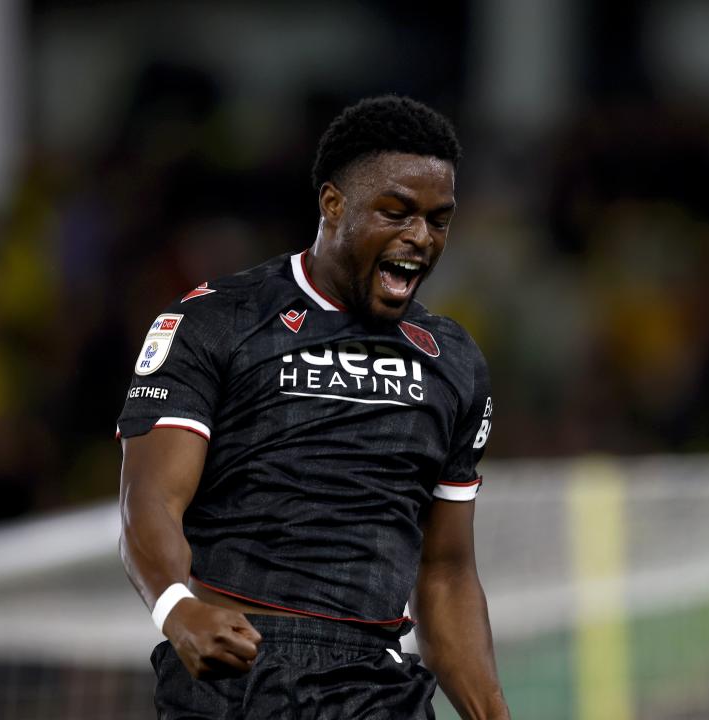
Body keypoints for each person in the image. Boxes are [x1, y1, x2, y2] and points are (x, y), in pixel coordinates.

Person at [117, 95, 509, 719]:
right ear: (333, 204)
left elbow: (446, 572)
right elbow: (150, 499)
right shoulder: (215, 320)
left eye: (439, 220)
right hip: (236, 673)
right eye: (397, 212)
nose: (420, 238)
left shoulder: (453, 361)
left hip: (375, 686)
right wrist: (175, 608)